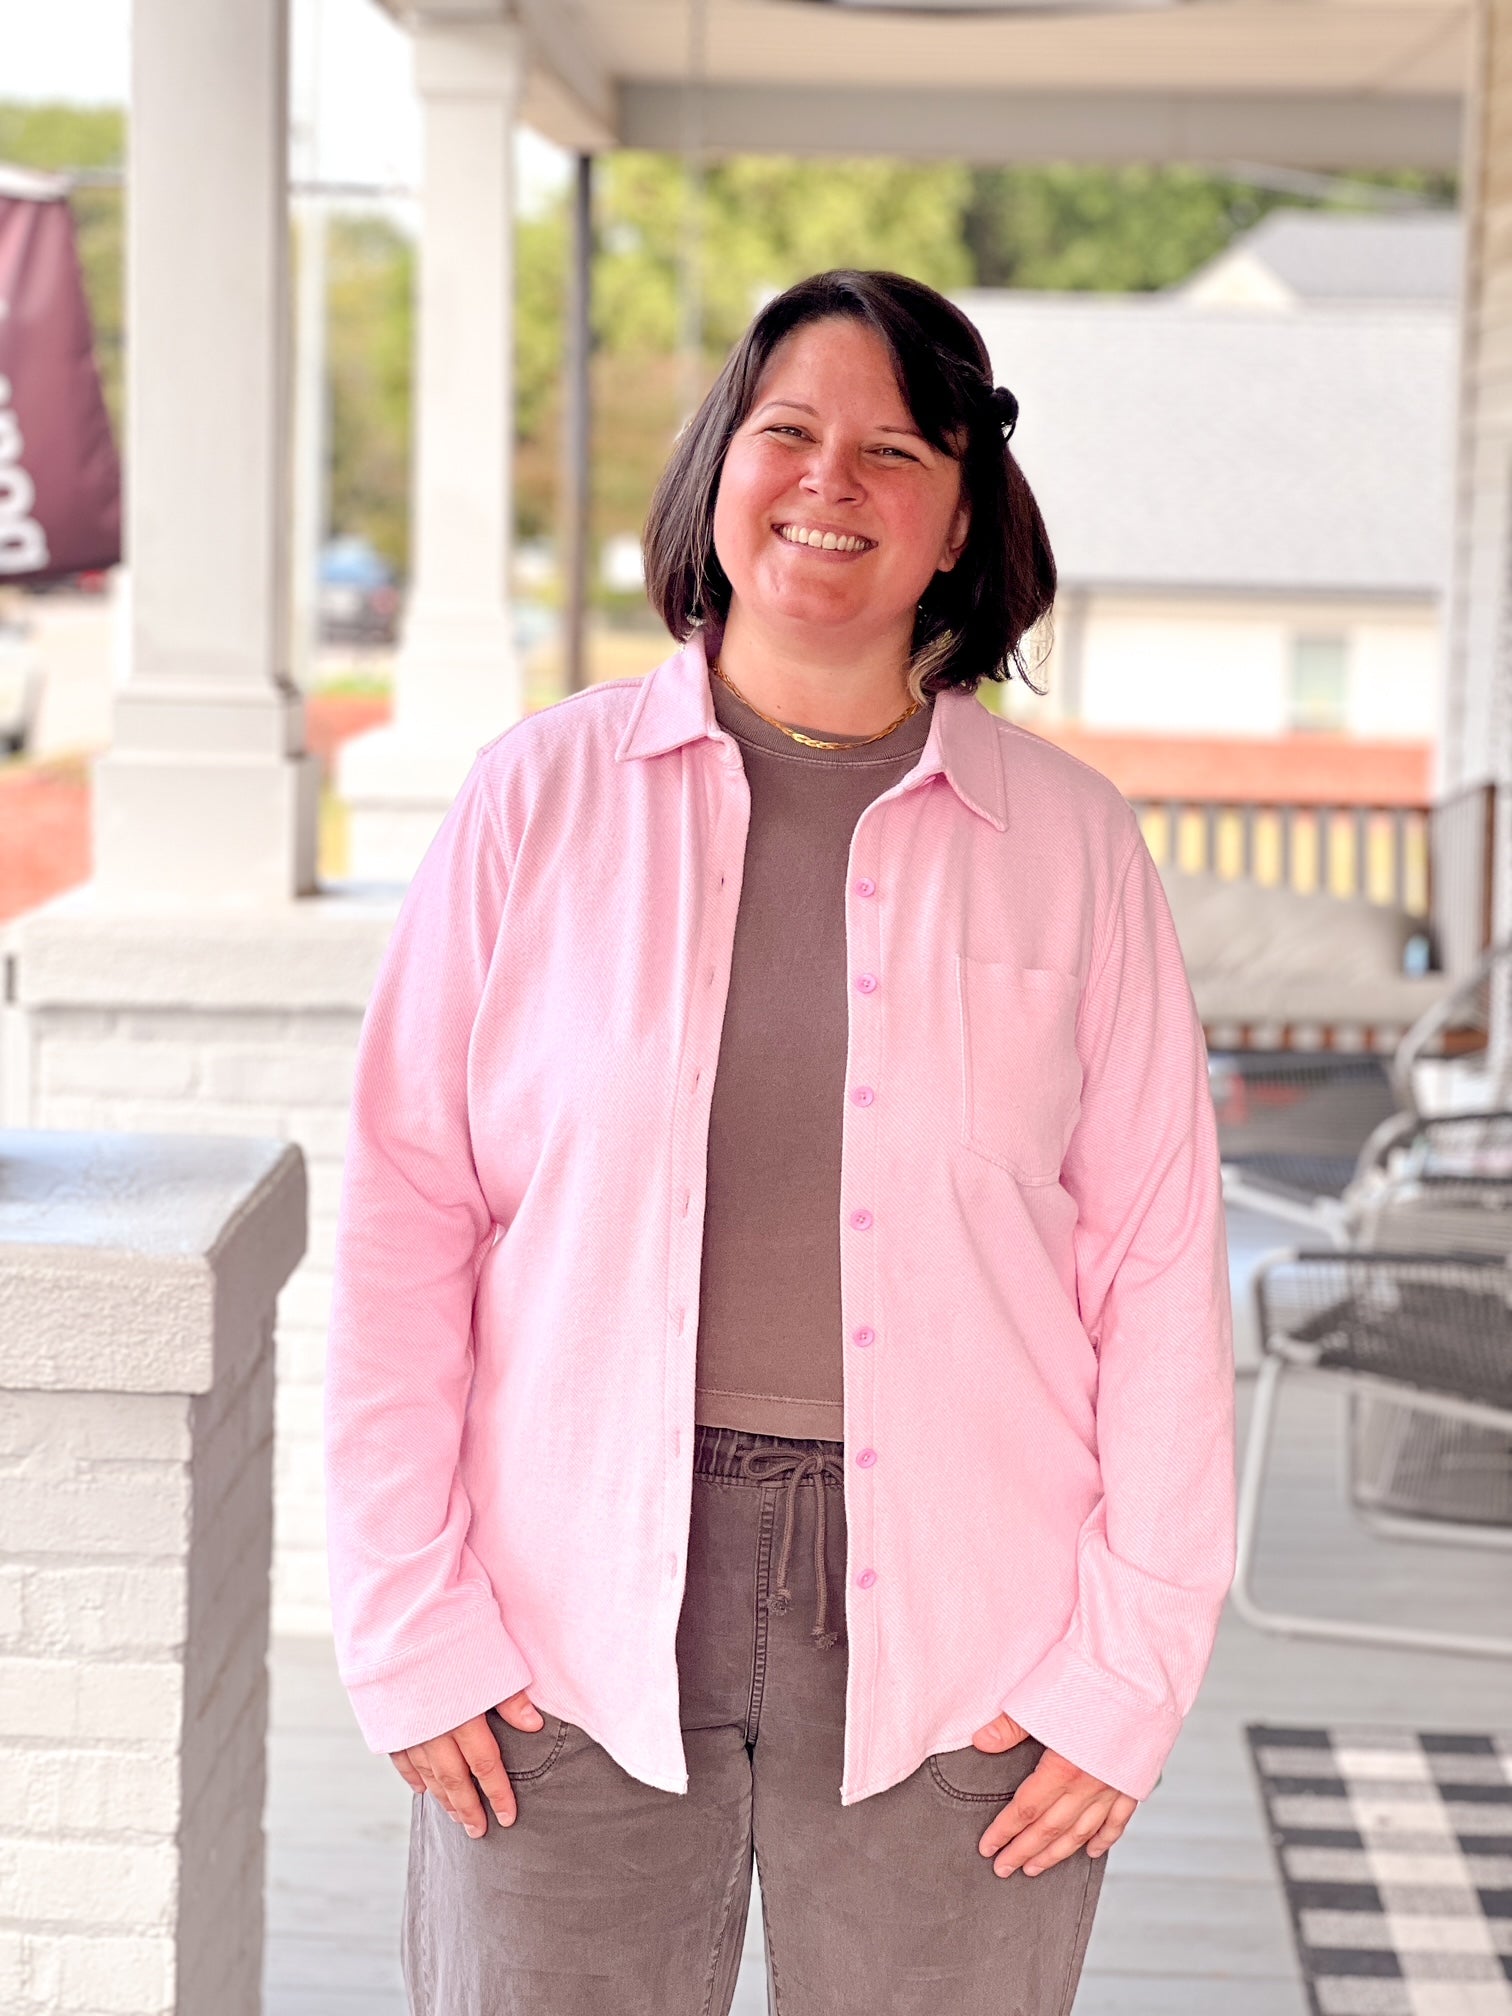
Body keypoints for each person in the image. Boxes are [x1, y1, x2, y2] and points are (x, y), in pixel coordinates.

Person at [323, 267, 1237, 2016]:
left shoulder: (1072, 845)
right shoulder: (539, 798)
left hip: (973, 1618)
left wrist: (1125, 1672)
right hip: (560, 1611)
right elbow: (407, 1226)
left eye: (898, 448)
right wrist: (409, 1619)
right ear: (718, 470)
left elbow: (1158, 1267)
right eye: (792, 431)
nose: (835, 482)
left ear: (965, 517)